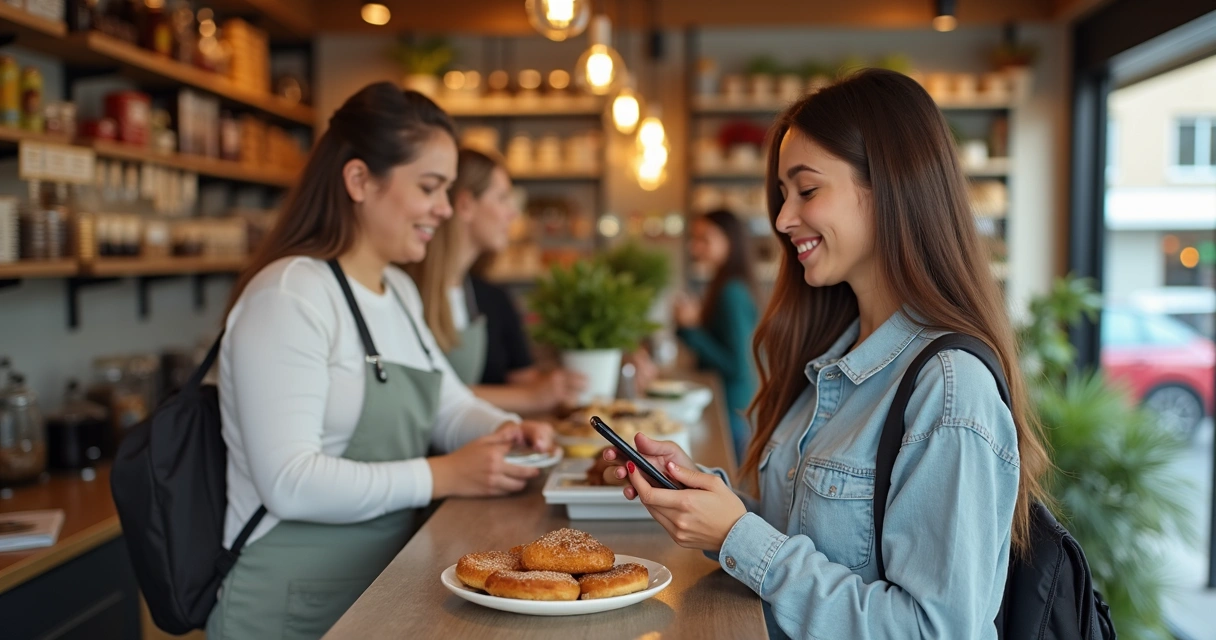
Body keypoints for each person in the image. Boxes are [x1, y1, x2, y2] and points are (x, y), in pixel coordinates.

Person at [600, 69, 1052, 639]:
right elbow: (807, 543)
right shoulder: (834, 360)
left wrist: (739, 535)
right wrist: (709, 504)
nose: (783, 219)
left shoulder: (949, 387)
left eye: (807, 190)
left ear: (891, 187)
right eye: (783, 194)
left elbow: (934, 630)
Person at [208, 82, 554, 639]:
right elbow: (288, 481)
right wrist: (444, 474)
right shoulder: (290, 295)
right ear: (360, 180)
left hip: (381, 589)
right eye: (429, 187)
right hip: (290, 606)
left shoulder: (397, 289)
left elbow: (448, 406)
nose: (445, 209)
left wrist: (509, 431)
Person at [405, 147, 585, 414]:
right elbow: (421, 392)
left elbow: (525, 379)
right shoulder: (404, 292)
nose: (513, 214)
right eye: (502, 198)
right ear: (465, 205)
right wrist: (530, 398)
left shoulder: (491, 297)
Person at [673, 209, 760, 460]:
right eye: (694, 238)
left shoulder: (731, 292)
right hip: (729, 405)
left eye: (705, 239)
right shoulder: (725, 285)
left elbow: (736, 365)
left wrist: (691, 329)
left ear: (729, 241)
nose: (695, 246)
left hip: (730, 409)